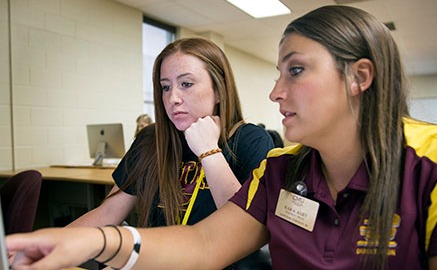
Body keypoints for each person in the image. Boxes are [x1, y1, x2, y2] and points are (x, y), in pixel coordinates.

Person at [7, 5, 437, 270]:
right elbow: (204, 246)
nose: (275, 92)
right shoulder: (283, 168)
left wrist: (209, 151)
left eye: (295, 71)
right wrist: (90, 243)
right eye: (165, 87)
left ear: (359, 77)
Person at [48, 38, 273, 268]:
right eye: (166, 87)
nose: (172, 98)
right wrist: (46, 247)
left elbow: (244, 230)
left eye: (186, 84)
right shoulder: (151, 141)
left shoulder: (250, 140)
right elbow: (109, 211)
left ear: (218, 90)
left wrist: (209, 151)